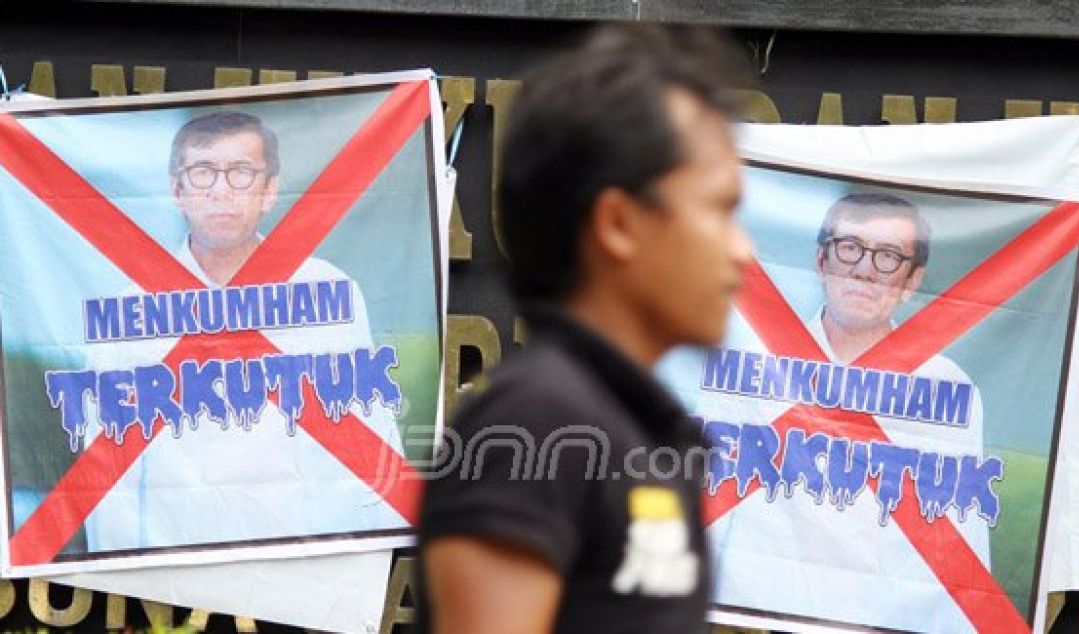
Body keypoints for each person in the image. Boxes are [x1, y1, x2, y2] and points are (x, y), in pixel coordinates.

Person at [418, 25, 753, 633]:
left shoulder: (631, 428)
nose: (742, 250)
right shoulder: (537, 421)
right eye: (719, 208)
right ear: (618, 224)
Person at [80, 111, 404, 551]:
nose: (221, 191)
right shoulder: (126, 310)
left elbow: (371, 448)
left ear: (270, 190)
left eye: (241, 173)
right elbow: (105, 479)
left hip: (299, 570)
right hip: (170, 574)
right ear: (177, 190)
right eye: (202, 172)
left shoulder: (328, 291)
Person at [688, 192, 987, 631]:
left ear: (911, 280)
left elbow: (960, 533)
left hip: (885, 621)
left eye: (888, 256)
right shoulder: (746, 365)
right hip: (762, 613)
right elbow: (706, 493)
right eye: (849, 247)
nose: (864, 268)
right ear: (821, 260)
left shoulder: (948, 385)